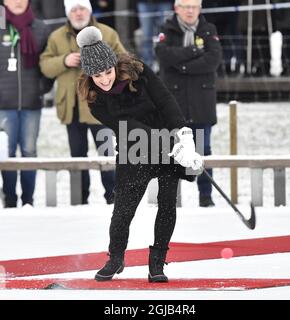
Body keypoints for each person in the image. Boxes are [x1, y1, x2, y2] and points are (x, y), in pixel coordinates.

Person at [76, 26, 204, 282]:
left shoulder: (139, 72)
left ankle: (157, 262)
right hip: (134, 147)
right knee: (123, 208)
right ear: (90, 76)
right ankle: (115, 258)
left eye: (107, 71)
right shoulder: (95, 100)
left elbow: (165, 100)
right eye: (97, 75)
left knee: (167, 204)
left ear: (115, 65)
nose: (104, 79)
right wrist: (171, 145)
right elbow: (130, 129)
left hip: (167, 137)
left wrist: (184, 136)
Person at [39, 0, 126, 205]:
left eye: (82, 8)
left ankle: (113, 200)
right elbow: (44, 65)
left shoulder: (107, 33)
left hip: (103, 108)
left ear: (89, 10)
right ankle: (79, 201)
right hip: (72, 108)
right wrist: (64, 61)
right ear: (68, 13)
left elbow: (124, 62)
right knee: (77, 157)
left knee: (107, 156)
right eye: (74, 9)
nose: (78, 13)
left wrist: (101, 62)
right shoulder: (56, 36)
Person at [155, 0, 222, 207]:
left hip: (202, 103)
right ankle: (169, 198)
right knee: (173, 152)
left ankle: (205, 196)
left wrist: (181, 66)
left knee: (203, 150)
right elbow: (163, 55)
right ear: (177, 8)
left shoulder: (209, 29)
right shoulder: (166, 29)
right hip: (174, 104)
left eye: (195, 6)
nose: (191, 11)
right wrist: (194, 51)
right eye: (186, 6)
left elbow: (213, 59)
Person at [0, 0, 50, 208]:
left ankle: (28, 199)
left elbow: (48, 64)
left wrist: (41, 88)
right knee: (7, 153)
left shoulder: (40, 28)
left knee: (29, 151)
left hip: (31, 104)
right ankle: (10, 200)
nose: (18, 1)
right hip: (4, 104)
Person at [136, 0, 173, 69]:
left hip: (165, 3)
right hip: (145, 3)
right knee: (146, 37)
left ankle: (165, 65)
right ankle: (147, 67)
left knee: (165, 36)